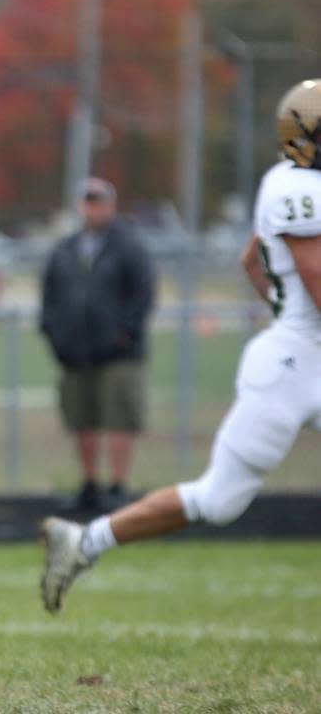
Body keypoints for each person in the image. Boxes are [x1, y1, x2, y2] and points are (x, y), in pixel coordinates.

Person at [40, 79, 321, 613]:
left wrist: (287, 313)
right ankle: (84, 541)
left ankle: (83, 542)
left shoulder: (284, 182)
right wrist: (295, 325)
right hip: (296, 364)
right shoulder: (297, 190)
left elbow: (249, 261)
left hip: (297, 349)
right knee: (218, 499)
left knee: (218, 498)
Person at [39, 177, 154, 512]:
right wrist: (55, 335)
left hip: (119, 353)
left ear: (111, 205)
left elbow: (143, 294)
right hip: (76, 351)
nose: (93, 208)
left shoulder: (129, 246)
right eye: (88, 201)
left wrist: (124, 333)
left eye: (99, 201)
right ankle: (90, 484)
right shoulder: (65, 249)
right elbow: (50, 297)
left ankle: (118, 485)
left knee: (119, 417)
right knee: (82, 419)